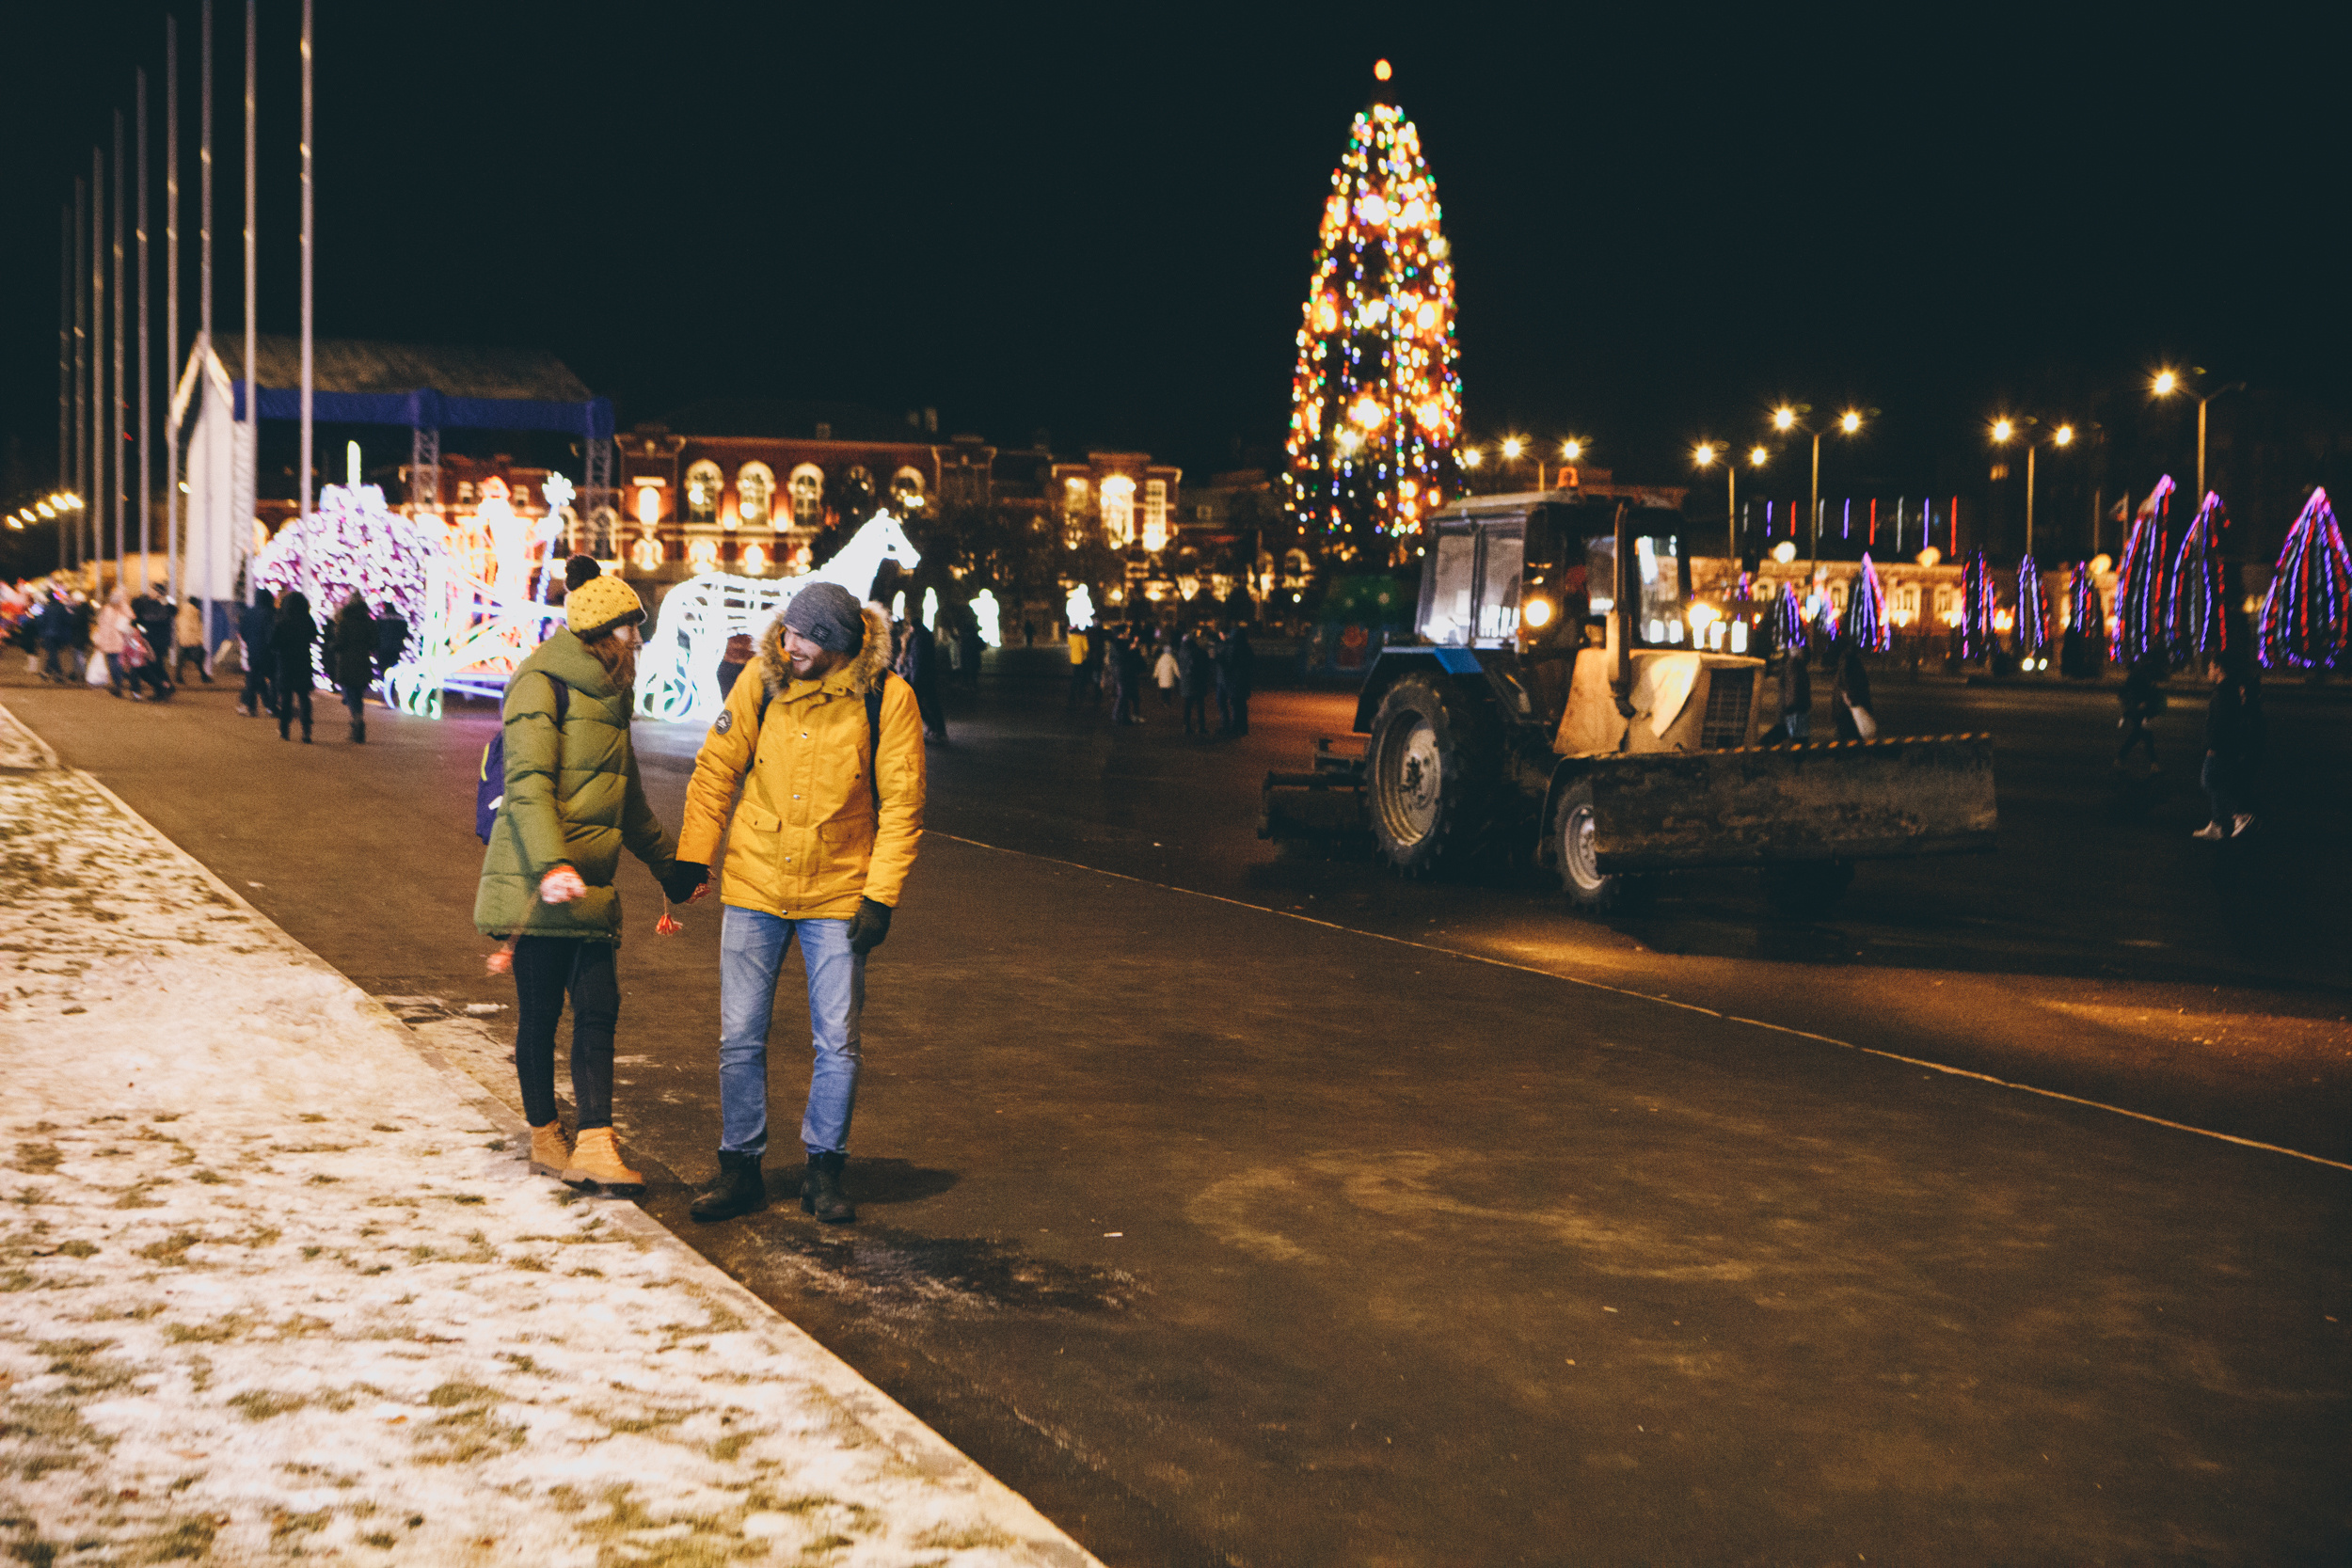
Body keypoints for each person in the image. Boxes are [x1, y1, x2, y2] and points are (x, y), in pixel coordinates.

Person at [671, 581, 926, 1227]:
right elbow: (716, 768)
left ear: (839, 645)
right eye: (788, 632)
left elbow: (902, 804)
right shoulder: (761, 682)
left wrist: (880, 895)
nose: (791, 645)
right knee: (739, 1035)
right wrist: (694, 854)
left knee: (837, 1039)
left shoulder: (886, 700)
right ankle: (740, 1169)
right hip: (756, 883)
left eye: (806, 638)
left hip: (838, 891)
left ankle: (824, 1170)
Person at [474, 558, 687, 1195]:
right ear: (602, 634)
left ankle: (594, 1140)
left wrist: (672, 868)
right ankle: (546, 1133)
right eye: (631, 631)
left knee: (599, 1006)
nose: (638, 643)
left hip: (589, 884)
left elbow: (626, 798)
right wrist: (553, 864)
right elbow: (528, 787)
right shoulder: (541, 683)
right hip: (539, 882)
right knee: (540, 1014)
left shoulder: (612, 695)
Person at [2193, 651, 2258, 840]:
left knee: (2209, 782)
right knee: (2219, 783)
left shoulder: (2223, 692)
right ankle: (2217, 825)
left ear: (2219, 669)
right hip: (2228, 746)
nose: (2208, 670)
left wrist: (2212, 745)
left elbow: (2220, 722)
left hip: (2219, 747)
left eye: (2210, 667)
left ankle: (2239, 816)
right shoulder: (2230, 689)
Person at [331, 593, 377, 743]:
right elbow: (374, 642)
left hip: (347, 662)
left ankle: (356, 721)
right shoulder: (368, 622)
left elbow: (339, 643)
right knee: (358, 694)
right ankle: (358, 721)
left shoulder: (344, 622)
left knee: (349, 692)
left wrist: (332, 646)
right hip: (363, 661)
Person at [896, 611, 948, 742]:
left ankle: (932, 727)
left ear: (912, 627)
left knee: (915, 704)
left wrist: (914, 679)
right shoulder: (925, 635)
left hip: (920, 677)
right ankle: (938, 730)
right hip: (928, 675)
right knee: (932, 703)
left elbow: (917, 660)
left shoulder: (918, 638)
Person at [273, 589, 318, 743]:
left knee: (286, 698)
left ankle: (284, 730)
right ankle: (306, 731)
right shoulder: (307, 620)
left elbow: (273, 641)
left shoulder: (282, 621)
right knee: (304, 698)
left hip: (286, 663)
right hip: (303, 662)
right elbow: (314, 635)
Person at [2116, 651, 2166, 772]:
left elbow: (2125, 691)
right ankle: (2153, 764)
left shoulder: (2141, 672)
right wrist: (2140, 703)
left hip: (2137, 709)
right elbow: (2138, 691)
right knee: (2143, 735)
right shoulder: (2141, 673)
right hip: (2138, 710)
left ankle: (2121, 759)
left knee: (2139, 735)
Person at [236, 589, 277, 718]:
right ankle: (270, 705)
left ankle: (251, 706)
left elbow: (242, 631)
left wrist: (249, 642)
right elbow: (272, 633)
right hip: (268, 651)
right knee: (271, 678)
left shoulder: (249, 612)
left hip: (252, 650)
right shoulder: (270, 613)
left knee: (254, 677)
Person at [1831, 640, 1875, 741]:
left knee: (1845, 733)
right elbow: (1849, 683)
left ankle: (1842, 752)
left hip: (1845, 706)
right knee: (1848, 734)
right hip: (1848, 706)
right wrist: (1853, 700)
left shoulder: (1846, 661)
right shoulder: (1850, 662)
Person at [92, 588, 134, 697]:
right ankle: (117, 685)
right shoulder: (122, 610)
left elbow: (100, 624)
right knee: (116, 662)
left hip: (107, 639)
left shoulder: (106, 609)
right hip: (118, 639)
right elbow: (131, 617)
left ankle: (116, 685)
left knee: (112, 662)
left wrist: (99, 639)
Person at [1216, 622, 1255, 736]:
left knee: (1236, 704)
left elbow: (1230, 664)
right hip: (1244, 680)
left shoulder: (1234, 648)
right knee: (1241, 705)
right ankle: (1243, 728)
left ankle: (1235, 728)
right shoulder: (1247, 648)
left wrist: (1219, 659)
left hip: (1235, 681)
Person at [1179, 629, 1215, 736]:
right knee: (1200, 705)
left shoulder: (1181, 651)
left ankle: (1186, 726)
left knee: (1188, 705)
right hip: (1198, 682)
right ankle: (1201, 726)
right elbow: (1205, 666)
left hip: (1186, 681)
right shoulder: (1199, 652)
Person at [1774, 642, 1812, 743]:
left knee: (1795, 735)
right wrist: (1795, 706)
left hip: (1793, 706)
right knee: (1798, 736)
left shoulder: (1794, 664)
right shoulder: (1795, 665)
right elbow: (1794, 687)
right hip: (1796, 707)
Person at [172, 596, 212, 685]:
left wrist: (181, 635)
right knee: (198, 658)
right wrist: (199, 639)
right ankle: (204, 676)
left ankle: (179, 677)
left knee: (181, 659)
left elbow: (179, 623)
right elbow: (196, 626)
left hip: (183, 638)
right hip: (192, 639)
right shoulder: (195, 611)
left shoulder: (181, 610)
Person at [1152, 636, 1180, 709]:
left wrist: (1155, 676)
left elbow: (1157, 668)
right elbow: (1176, 668)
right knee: (1168, 692)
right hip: (1170, 679)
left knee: (1163, 692)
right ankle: (1167, 702)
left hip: (1162, 680)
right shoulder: (1172, 659)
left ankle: (1164, 702)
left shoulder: (1160, 659)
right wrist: (1179, 676)